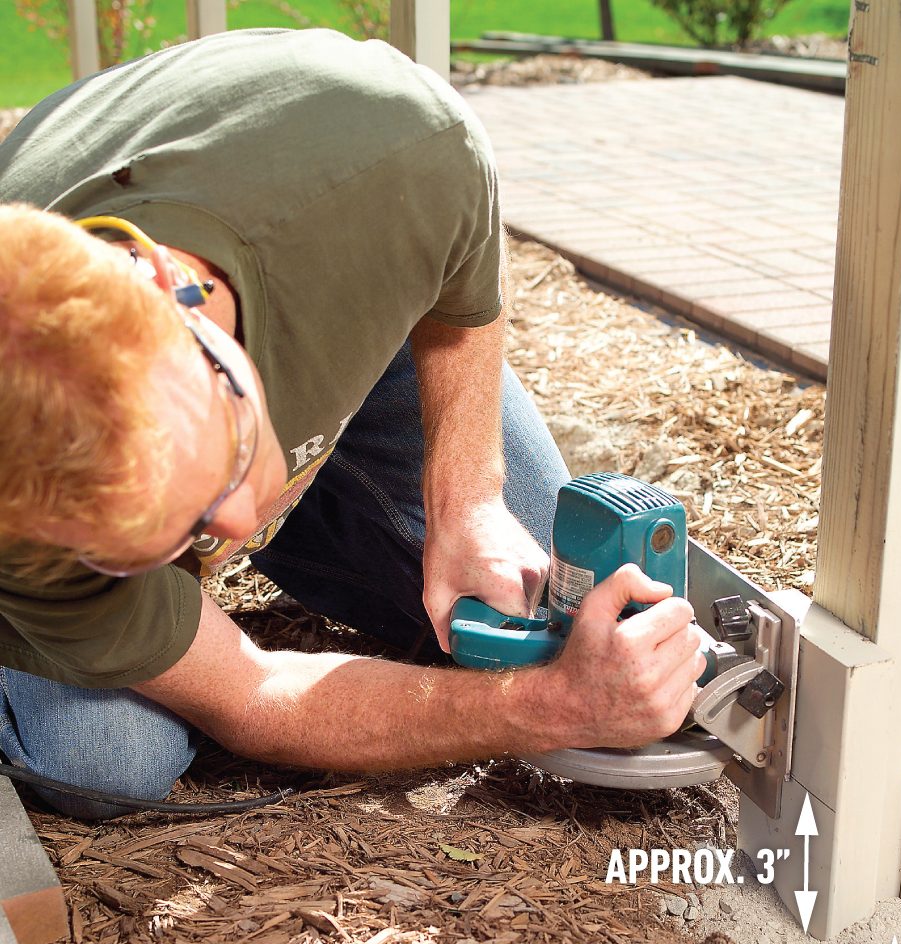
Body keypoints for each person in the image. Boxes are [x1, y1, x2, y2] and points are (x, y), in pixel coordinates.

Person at [0, 28, 705, 820]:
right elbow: (253, 693)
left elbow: (458, 247)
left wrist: (467, 492)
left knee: (536, 580)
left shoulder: (390, 151)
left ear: (174, 291)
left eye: (226, 455)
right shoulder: (22, 517)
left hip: (315, 236)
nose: (238, 523)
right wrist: (551, 708)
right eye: (174, 539)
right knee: (106, 760)